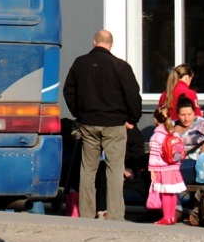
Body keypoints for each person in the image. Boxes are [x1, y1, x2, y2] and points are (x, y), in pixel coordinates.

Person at [63, 29, 142, 221]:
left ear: (94, 42)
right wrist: (132, 118)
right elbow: (133, 95)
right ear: (111, 44)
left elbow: (68, 91)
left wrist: (79, 114)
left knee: (88, 170)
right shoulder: (121, 66)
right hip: (115, 124)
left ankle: (87, 214)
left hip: (88, 123)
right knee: (114, 169)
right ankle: (115, 216)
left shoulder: (79, 64)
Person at [147, 107, 185, 225]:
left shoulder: (156, 136)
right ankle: (172, 217)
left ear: (155, 119)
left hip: (162, 170)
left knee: (164, 194)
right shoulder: (175, 134)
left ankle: (166, 217)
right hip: (174, 168)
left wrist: (152, 170)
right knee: (172, 193)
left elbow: (153, 156)